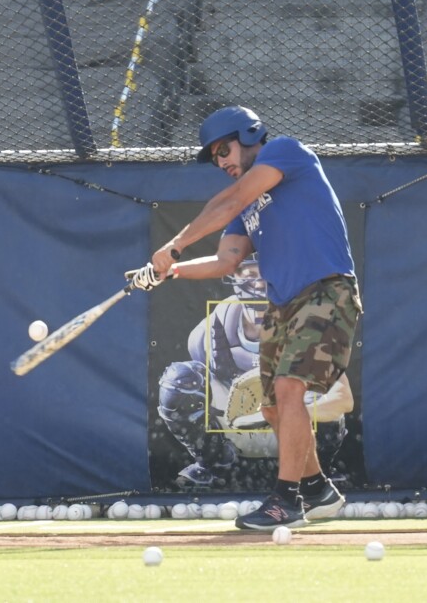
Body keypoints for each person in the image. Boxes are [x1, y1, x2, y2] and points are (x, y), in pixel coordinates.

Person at [131, 105, 362, 530]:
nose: (221, 162)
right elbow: (226, 260)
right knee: (273, 407)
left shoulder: (287, 152)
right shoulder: (247, 205)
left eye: (224, 149)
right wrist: (170, 270)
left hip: (327, 289)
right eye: (215, 157)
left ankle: (285, 500)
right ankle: (317, 489)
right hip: (282, 304)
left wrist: (175, 245)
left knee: (291, 389)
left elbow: (231, 200)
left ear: (251, 134)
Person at [156, 256, 354, 490]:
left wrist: (287, 412)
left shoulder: (305, 320)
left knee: (324, 391)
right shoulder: (213, 328)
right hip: (236, 426)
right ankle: (214, 463)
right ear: (234, 276)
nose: (258, 284)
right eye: (248, 274)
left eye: (264, 272)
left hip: (295, 427)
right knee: (179, 380)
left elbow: (344, 399)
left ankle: (316, 471)